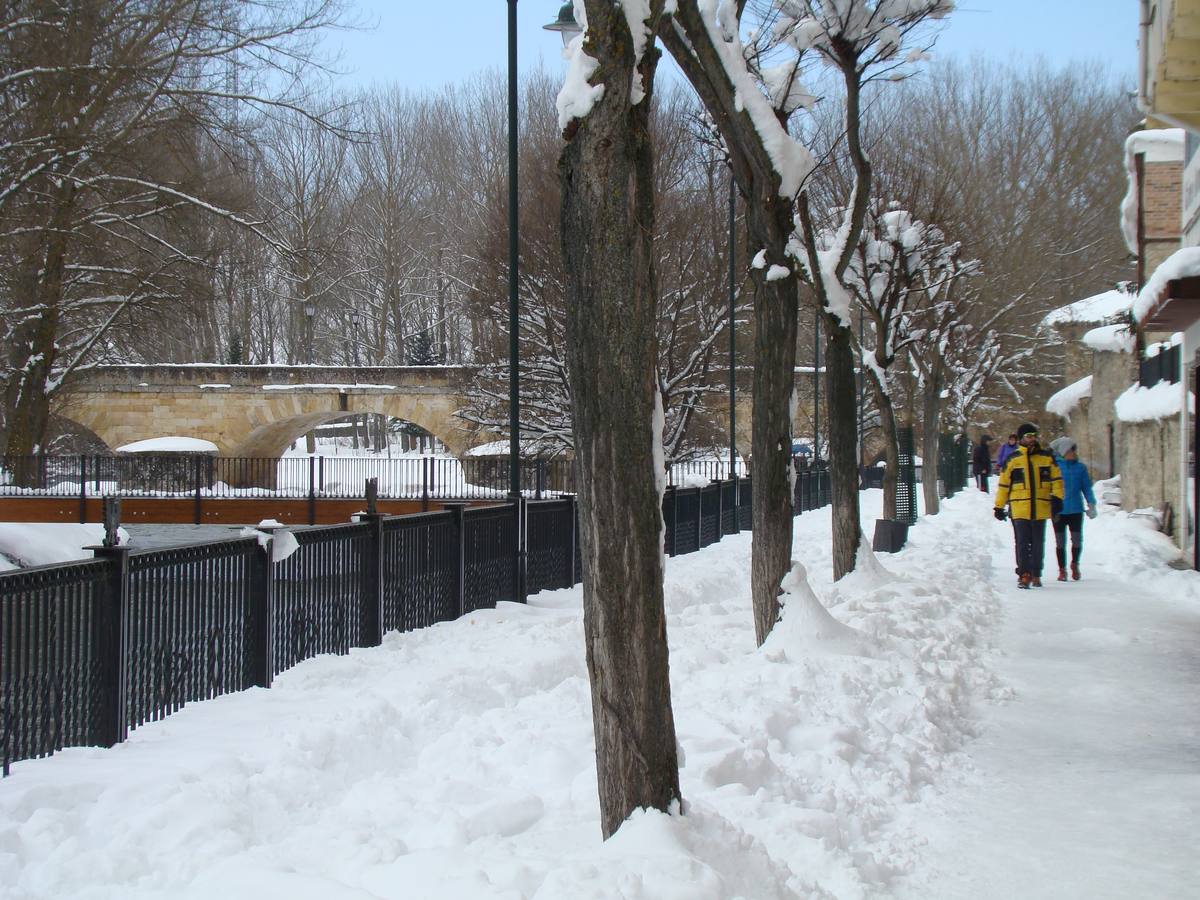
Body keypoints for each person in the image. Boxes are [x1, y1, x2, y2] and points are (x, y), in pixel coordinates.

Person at [993, 422, 1063, 589]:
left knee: (1038, 541)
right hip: (1019, 507)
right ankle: (1024, 573)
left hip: (1040, 506)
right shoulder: (1013, 459)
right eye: (1028, 436)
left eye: (1033, 436)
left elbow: (1057, 480)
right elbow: (1004, 485)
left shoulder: (1046, 458)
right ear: (1021, 439)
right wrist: (999, 506)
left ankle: (1037, 572)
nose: (1031, 439)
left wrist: (1058, 498)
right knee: (1022, 542)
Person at [1048, 436, 1097, 581]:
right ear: (1063, 452)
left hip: (1076, 509)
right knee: (1060, 542)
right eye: (1071, 450)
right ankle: (1062, 570)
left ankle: (1075, 564)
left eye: (1074, 450)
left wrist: (1091, 503)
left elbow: (1086, 487)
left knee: (1076, 540)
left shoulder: (1080, 468)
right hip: (1059, 510)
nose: (1074, 453)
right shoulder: (1054, 467)